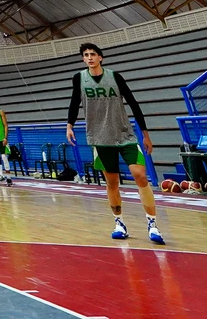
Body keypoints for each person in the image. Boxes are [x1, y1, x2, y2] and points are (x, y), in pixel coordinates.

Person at [68, 43, 163, 245]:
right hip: (100, 139)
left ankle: (152, 225)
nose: (90, 57)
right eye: (86, 55)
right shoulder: (79, 78)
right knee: (112, 183)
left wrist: (145, 134)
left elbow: (133, 102)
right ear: (83, 59)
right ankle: (119, 223)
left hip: (125, 135)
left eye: (93, 54)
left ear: (100, 57)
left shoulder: (115, 76)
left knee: (140, 176)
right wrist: (69, 125)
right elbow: (74, 102)